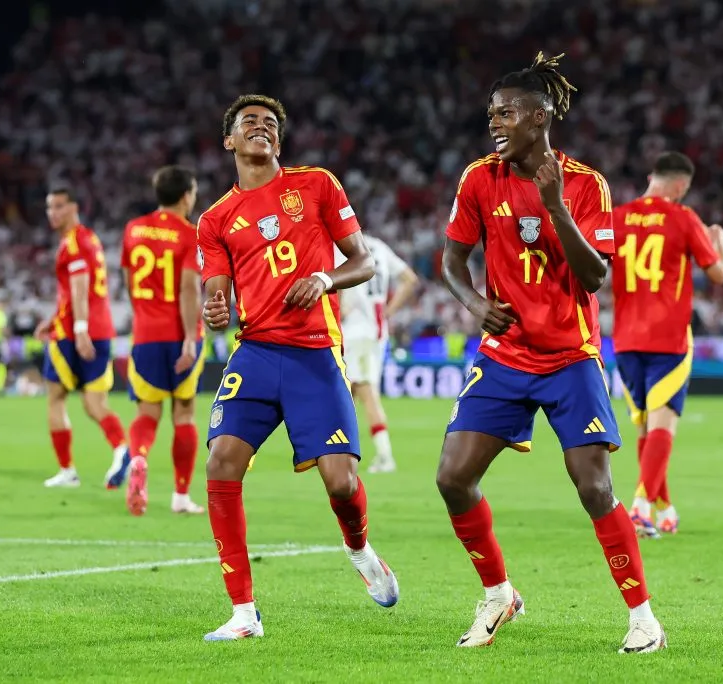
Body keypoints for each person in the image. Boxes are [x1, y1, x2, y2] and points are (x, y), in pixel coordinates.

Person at [435, 53, 666, 653]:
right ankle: (498, 594)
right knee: (453, 478)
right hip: (504, 354)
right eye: (492, 114)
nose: (495, 123)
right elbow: (452, 261)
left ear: (540, 116)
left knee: (593, 488)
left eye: (506, 112)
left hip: (569, 356)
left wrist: (556, 205)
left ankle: (643, 617)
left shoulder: (586, 184)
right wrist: (472, 303)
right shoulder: (479, 178)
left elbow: (594, 277)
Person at [197, 94, 399, 641]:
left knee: (341, 482)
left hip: (315, 351)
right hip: (256, 353)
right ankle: (243, 612)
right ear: (230, 141)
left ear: (278, 142)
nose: (260, 128)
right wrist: (215, 308)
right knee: (220, 464)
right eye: (249, 123)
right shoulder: (215, 219)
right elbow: (217, 293)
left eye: (269, 124)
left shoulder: (317, 185)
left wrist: (327, 279)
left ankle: (358, 548)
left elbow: (364, 261)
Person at [611, 152, 723, 537]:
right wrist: (721, 244)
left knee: (646, 429)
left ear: (652, 177)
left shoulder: (617, 217)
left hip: (626, 339)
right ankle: (641, 508)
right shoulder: (683, 218)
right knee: (663, 427)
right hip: (669, 338)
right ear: (681, 185)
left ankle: (663, 507)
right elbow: (718, 274)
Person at [121, 166, 206, 516]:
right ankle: (181, 496)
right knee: (183, 413)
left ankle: (138, 458)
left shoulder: (133, 229)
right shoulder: (189, 234)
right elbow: (188, 288)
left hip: (145, 334)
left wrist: (144, 315)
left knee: (147, 411)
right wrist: (189, 338)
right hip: (179, 334)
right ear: (186, 195)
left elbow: (128, 280)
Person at [36, 187, 130, 489]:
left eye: (60, 206)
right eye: (50, 207)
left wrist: (78, 329)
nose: (54, 213)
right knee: (93, 403)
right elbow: (81, 291)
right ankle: (121, 449)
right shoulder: (90, 238)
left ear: (75, 207)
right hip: (101, 329)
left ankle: (67, 471)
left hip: (74, 334)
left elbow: (78, 287)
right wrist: (52, 320)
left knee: (55, 398)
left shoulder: (73, 242)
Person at [335, 235, 419, 472]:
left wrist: (340, 307)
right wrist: (387, 312)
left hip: (357, 331)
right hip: (376, 331)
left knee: (366, 391)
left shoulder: (342, 247)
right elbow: (410, 280)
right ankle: (339, 453)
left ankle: (384, 456)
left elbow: (337, 283)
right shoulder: (380, 247)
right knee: (348, 393)